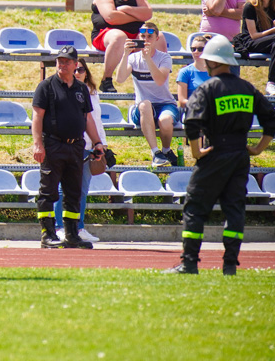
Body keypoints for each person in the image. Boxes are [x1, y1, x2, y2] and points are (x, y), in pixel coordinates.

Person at [164, 36, 275, 275]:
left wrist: (196, 151)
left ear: (212, 61)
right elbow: (273, 119)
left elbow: (192, 121)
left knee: (195, 208)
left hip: (214, 153)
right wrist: (258, 148)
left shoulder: (207, 88)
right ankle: (229, 266)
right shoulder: (247, 88)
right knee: (235, 209)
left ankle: (189, 263)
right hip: (240, 155)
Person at [32, 46, 106, 250]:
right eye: (59, 61)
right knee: (48, 192)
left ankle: (72, 234)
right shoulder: (46, 86)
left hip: (76, 147)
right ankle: (48, 234)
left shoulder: (81, 89)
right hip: (53, 145)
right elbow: (37, 116)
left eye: (67, 62)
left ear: (75, 65)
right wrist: (37, 144)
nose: (62, 65)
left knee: (73, 192)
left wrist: (97, 142)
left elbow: (87, 118)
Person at [53, 58, 107, 244]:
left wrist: (101, 143)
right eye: (75, 69)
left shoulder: (92, 92)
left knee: (82, 189)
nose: (77, 73)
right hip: (68, 145)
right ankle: (60, 227)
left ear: (86, 72)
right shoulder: (62, 90)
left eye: (81, 69)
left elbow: (96, 121)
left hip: (88, 148)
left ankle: (79, 227)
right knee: (63, 189)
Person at [115, 22, 179, 167]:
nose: (146, 40)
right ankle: (156, 153)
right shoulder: (133, 58)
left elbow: (160, 80)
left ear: (157, 38)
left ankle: (166, 150)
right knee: (145, 104)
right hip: (143, 107)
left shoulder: (164, 58)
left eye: (150, 36)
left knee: (165, 121)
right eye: (143, 36)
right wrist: (125, 54)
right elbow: (119, 79)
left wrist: (148, 60)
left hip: (165, 104)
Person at [90, 0, 157, 93]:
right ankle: (106, 79)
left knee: (156, 36)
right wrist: (137, 16)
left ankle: (156, 78)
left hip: (134, 35)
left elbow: (148, 14)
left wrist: (126, 9)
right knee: (119, 37)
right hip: (105, 35)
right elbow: (111, 17)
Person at [233, 0, 275, 96]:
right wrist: (273, 30)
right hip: (251, 42)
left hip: (271, 41)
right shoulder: (250, 7)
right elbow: (254, 35)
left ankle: (271, 83)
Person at [177, 33, 212, 113]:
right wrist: (201, 105)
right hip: (192, 113)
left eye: (200, 49)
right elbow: (182, 102)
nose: (196, 52)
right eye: (193, 49)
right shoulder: (185, 72)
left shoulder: (215, 72)